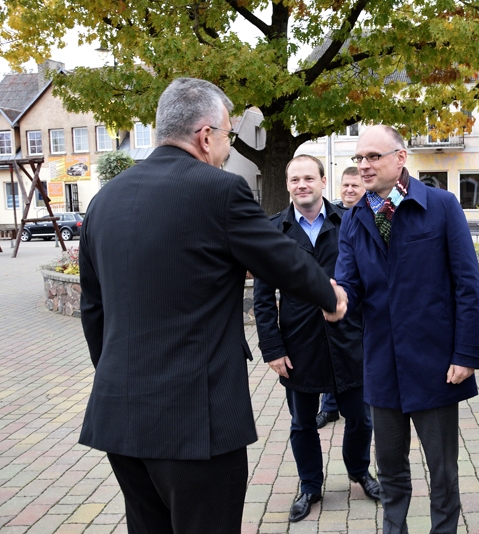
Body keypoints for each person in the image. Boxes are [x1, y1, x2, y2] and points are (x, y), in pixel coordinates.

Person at [78, 78, 347, 533]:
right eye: (226, 137)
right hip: (195, 421)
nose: (226, 149)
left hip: (119, 417)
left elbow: (93, 309)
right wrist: (330, 295)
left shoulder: (104, 201)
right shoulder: (218, 190)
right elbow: (279, 258)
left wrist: (117, 377)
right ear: (205, 136)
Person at [335, 125, 479, 534]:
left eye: (373, 157)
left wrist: (466, 354)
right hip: (382, 362)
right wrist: (336, 301)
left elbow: (467, 285)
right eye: (359, 158)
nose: (363, 166)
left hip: (435, 361)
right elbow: (349, 284)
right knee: (391, 467)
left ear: (400, 158)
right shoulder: (355, 217)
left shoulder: (440, 205)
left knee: (442, 470)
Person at [253, 155, 380, 522]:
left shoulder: (350, 222)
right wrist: (272, 349)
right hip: (298, 346)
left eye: (309, 178)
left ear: (323, 181)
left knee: (361, 419)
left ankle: (358, 471)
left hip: (349, 341)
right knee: (301, 424)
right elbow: (263, 299)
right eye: (295, 180)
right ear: (288, 185)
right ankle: (310, 485)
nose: (301, 185)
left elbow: (370, 282)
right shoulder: (273, 231)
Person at [317, 166, 366, 429]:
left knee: (356, 358)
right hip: (333, 295)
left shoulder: (369, 216)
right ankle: (329, 407)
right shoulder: (331, 216)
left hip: (359, 299)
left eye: (354, 186)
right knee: (330, 353)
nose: (349, 190)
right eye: (345, 185)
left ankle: (361, 406)